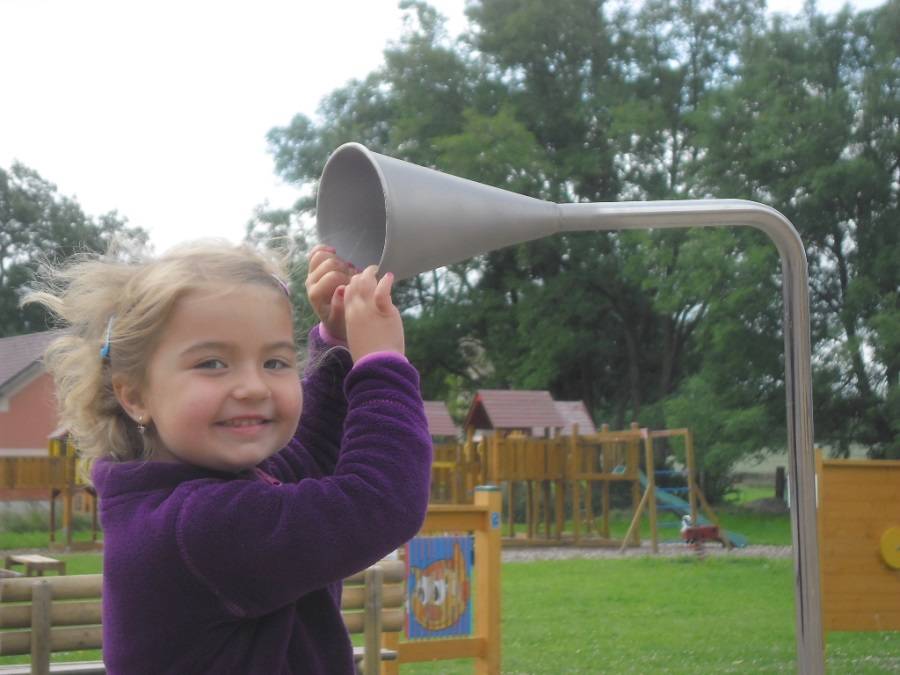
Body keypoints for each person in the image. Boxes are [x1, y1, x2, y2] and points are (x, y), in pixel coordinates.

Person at [24, 240, 433, 674]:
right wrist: (382, 365)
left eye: (275, 362)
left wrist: (339, 343)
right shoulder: (200, 527)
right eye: (213, 363)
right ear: (135, 395)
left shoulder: (199, 495)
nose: (253, 387)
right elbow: (379, 503)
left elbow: (312, 454)